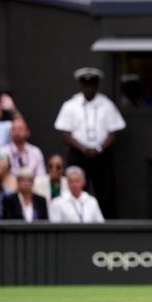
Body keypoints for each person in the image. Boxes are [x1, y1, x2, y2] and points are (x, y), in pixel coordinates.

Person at [53, 67, 126, 219]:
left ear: (97, 85)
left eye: (92, 84)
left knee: (106, 193)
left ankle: (108, 228)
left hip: (102, 154)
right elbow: (64, 132)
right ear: (81, 85)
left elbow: (113, 131)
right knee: (76, 189)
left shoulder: (107, 105)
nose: (89, 88)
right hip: (78, 153)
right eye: (86, 85)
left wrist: (100, 148)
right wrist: (82, 148)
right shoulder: (70, 105)